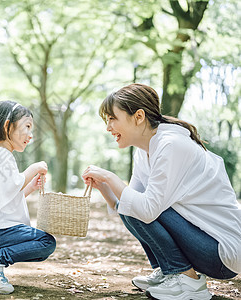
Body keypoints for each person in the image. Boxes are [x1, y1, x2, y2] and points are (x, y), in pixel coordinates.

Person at [82, 83, 240, 300]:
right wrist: (104, 188)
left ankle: (188, 281)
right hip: (201, 241)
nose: (108, 127)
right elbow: (127, 206)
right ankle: (169, 273)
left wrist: (111, 177)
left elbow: (145, 210)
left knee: (140, 205)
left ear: (138, 116)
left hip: (221, 253)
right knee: (132, 203)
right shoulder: (144, 150)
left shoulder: (171, 145)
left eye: (112, 118)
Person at [0, 100, 56, 294]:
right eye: (26, 126)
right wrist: (33, 168)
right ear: (7, 125)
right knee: (46, 242)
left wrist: (30, 186)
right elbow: (11, 187)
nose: (30, 134)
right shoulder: (1, 154)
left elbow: (6, 197)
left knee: (41, 243)